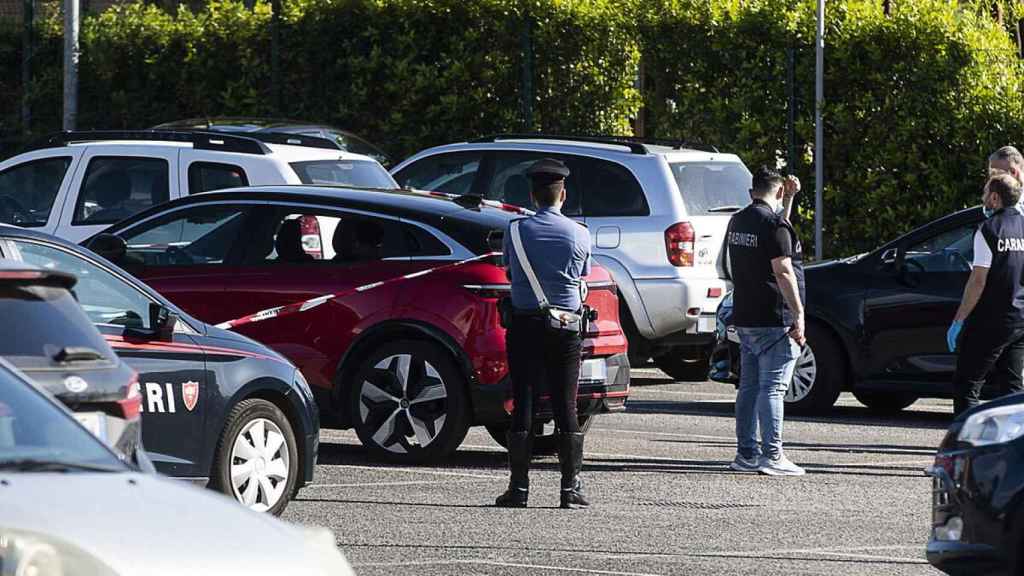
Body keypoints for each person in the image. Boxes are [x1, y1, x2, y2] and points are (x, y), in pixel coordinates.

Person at [495, 158, 592, 509]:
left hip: (524, 324)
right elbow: (583, 275)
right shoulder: (581, 233)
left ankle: (518, 488)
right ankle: (571, 488)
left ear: (533, 196)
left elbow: (508, 271)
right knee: (566, 404)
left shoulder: (516, 230)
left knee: (524, 401)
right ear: (562, 194)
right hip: (566, 327)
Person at [718, 166, 806, 476]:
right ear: (779, 191)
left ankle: (746, 454)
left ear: (752, 191)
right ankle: (773, 455)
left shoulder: (738, 220)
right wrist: (799, 315)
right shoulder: (774, 225)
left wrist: (790, 200)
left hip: (746, 315)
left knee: (749, 387)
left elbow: (777, 234)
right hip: (774, 317)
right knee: (773, 389)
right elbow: (783, 269)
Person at [947, 173, 1024, 415]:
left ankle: (963, 446)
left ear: (994, 197)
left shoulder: (988, 230)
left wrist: (958, 320)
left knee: (967, 384)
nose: (982, 198)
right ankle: (1014, 445)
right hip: (1019, 319)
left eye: (984, 193)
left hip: (991, 321)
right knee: (1012, 387)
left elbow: (977, 281)